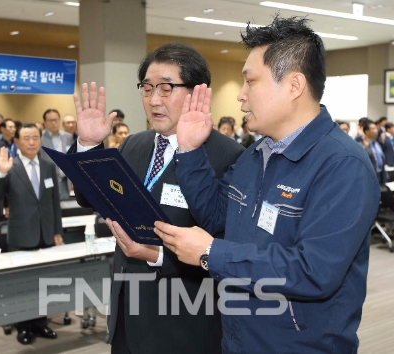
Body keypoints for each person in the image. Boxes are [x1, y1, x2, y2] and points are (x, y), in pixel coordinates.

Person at [150, 16, 379, 354]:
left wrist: (213, 253)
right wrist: (190, 151)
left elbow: (314, 270)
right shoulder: (255, 155)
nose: (240, 96)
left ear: (294, 86)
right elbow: (216, 217)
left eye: (250, 82)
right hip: (239, 339)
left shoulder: (343, 166)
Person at [70, 42, 244, 354]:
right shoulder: (135, 145)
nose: (153, 100)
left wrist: (156, 254)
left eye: (166, 89)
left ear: (196, 92)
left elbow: (226, 245)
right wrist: (88, 145)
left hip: (185, 319)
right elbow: (92, 198)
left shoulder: (228, 156)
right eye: (147, 88)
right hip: (128, 314)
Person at [0, 123, 62, 345]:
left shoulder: (48, 165)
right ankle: (24, 326)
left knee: (43, 282)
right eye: (26, 138)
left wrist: (57, 231)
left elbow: (54, 202)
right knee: (23, 284)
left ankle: (40, 323)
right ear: (17, 142)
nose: (31, 142)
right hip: (21, 236)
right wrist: (1, 172)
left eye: (35, 138)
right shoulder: (11, 166)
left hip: (46, 235)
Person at [41, 109, 74, 199]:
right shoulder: (40, 138)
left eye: (56, 120)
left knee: (64, 209)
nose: (54, 123)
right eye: (50, 120)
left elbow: (71, 159)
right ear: (45, 122)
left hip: (65, 181)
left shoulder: (67, 136)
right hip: (47, 181)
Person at [361, 119, 386, 184]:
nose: (376, 130)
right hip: (370, 177)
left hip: (380, 175)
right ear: (366, 131)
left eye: (376, 128)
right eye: (373, 128)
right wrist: (365, 148)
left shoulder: (377, 144)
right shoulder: (361, 145)